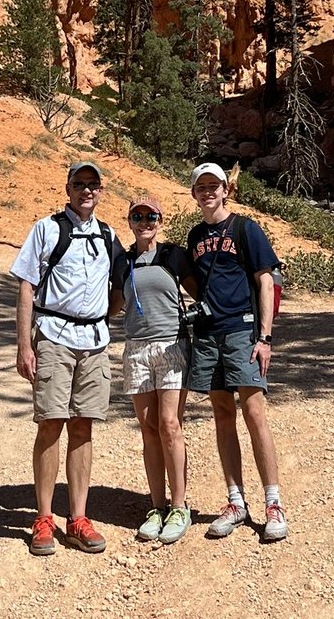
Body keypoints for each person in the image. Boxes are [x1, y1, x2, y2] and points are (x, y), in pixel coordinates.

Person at [11, 160, 124, 557]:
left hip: (94, 341)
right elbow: (27, 286)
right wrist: (25, 345)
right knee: (51, 424)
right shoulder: (47, 229)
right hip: (55, 338)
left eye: (93, 184)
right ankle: (44, 517)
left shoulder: (108, 235)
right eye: (80, 183)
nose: (86, 190)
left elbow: (122, 285)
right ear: (68, 188)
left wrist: (107, 317)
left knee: (83, 427)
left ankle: (77, 518)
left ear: (101, 190)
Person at [187, 161, 289, 543]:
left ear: (226, 190)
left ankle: (274, 503)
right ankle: (235, 501)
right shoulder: (195, 235)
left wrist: (264, 337)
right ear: (194, 193)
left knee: (254, 412)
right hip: (209, 335)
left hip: (243, 332)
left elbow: (265, 281)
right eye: (202, 186)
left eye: (215, 185)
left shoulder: (246, 228)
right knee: (222, 415)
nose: (209, 191)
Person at [109, 196, 196, 545]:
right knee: (148, 428)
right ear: (129, 222)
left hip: (172, 345)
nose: (145, 221)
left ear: (161, 220)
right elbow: (114, 305)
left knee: (170, 425)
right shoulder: (123, 262)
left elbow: (201, 293)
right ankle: (156, 506)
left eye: (151, 216)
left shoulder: (174, 256)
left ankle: (179, 506)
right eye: (138, 216)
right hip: (136, 349)